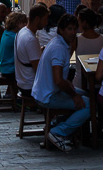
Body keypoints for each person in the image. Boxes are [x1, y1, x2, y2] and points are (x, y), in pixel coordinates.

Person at [31, 13, 91, 152]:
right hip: (48, 95)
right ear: (61, 30)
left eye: (74, 29)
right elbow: (58, 80)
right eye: (69, 29)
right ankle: (58, 132)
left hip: (46, 90)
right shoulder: (58, 48)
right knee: (88, 105)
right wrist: (74, 95)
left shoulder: (59, 43)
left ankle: (59, 123)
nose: (73, 32)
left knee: (86, 94)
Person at [14, 2, 49, 96]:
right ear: (37, 19)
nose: (46, 23)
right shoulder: (31, 39)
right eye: (45, 19)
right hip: (30, 85)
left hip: (22, 82)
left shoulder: (22, 32)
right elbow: (38, 69)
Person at [73, 9, 103, 89]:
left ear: (84, 22)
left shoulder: (76, 40)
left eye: (78, 21)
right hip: (99, 84)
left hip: (79, 84)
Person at [0, 11, 27, 82]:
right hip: (11, 69)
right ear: (17, 23)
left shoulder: (6, 33)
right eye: (23, 23)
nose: (25, 25)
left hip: (4, 67)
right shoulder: (14, 37)